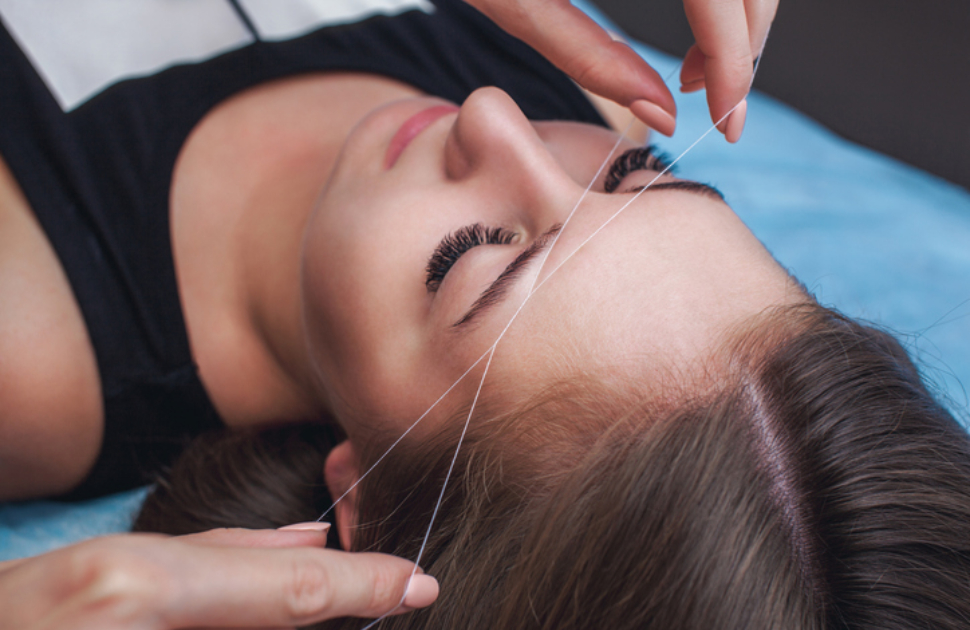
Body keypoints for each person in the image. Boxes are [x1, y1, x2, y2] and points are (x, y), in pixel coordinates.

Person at [14, 0, 968, 628]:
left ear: (364, 509)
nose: (494, 114)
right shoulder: (589, 93)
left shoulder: (30, 357)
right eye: (638, 178)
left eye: (470, 256)